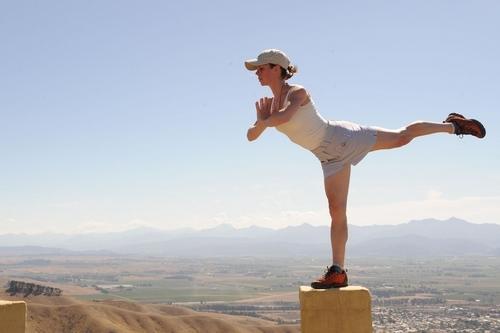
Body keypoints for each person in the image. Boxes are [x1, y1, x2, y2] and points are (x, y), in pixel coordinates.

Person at [245, 49, 486, 289]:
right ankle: (338, 272)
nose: (257, 72)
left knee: (402, 137)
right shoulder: (270, 106)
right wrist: (260, 121)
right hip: (327, 158)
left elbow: (286, 117)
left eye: (261, 67)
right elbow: (251, 137)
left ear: (277, 69)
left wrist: (265, 121)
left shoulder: (297, 92)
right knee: (336, 210)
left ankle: (453, 126)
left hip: (342, 138)